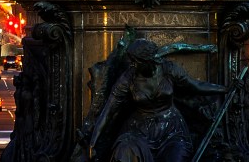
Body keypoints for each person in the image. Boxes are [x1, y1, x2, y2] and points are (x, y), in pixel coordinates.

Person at [77, 39, 226, 162]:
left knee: (176, 157)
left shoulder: (169, 69)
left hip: (171, 130)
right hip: (138, 131)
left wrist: (224, 89)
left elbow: (196, 86)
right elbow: (108, 111)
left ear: (147, 60)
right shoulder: (128, 77)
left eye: (135, 61)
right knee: (125, 150)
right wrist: (93, 142)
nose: (132, 65)